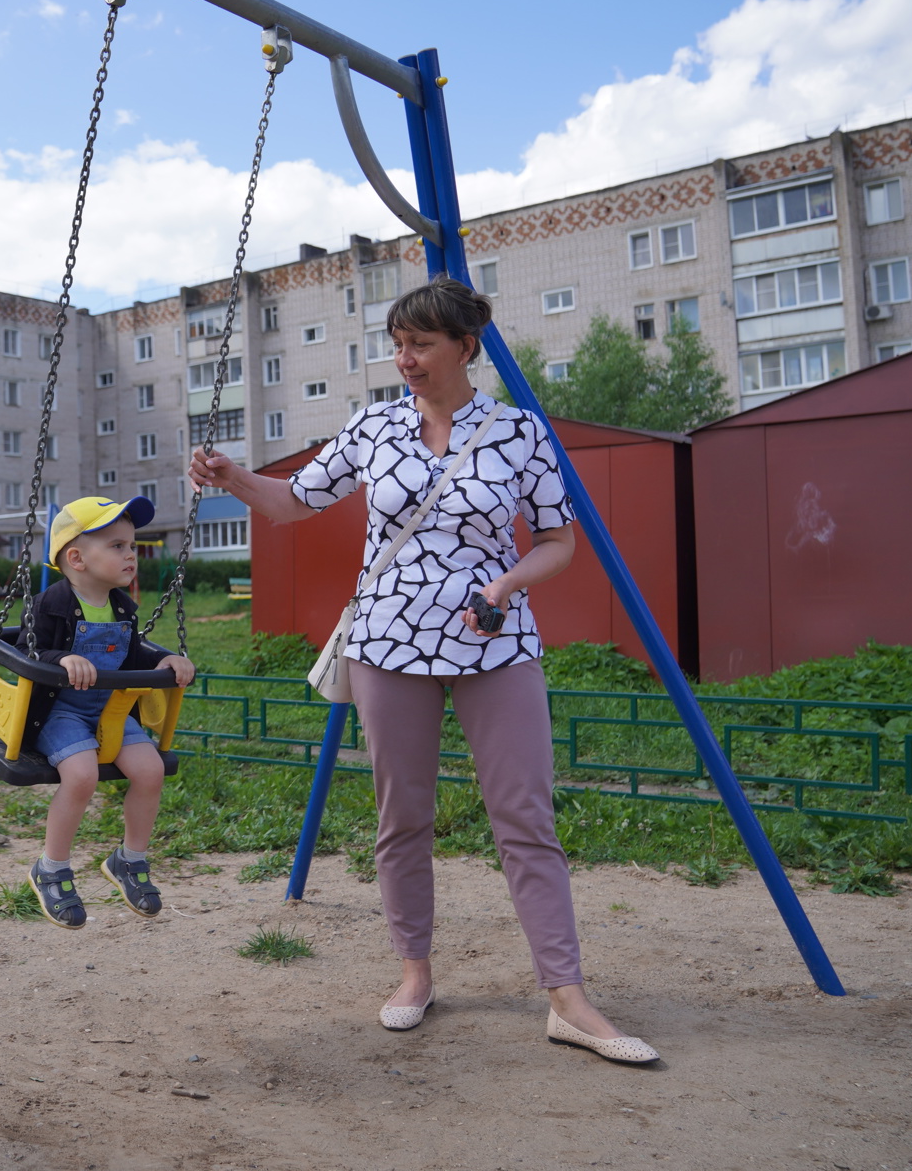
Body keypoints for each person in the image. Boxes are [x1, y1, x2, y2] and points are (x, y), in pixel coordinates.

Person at [189, 275, 659, 1065]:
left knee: (525, 818)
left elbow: (557, 541)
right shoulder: (373, 427)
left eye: (419, 344)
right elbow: (293, 503)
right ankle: (414, 974)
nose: (403, 358)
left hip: (495, 641)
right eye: (397, 344)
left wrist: (505, 584)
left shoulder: (519, 433)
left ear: (465, 347)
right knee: (401, 816)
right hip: (387, 644)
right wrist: (233, 477)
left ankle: (568, 998)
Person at [22, 496, 196, 929]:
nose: (130, 555)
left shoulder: (122, 608)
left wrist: (165, 661)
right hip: (59, 713)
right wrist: (61, 658)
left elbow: (131, 654)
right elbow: (30, 649)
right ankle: (52, 867)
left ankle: (129, 860)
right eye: (117, 546)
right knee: (82, 775)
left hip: (112, 711)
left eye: (131, 546)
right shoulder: (50, 604)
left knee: (150, 770)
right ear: (77, 558)